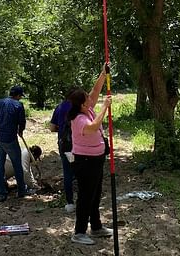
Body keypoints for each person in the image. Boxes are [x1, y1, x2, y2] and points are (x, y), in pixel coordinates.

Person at [68, 67, 114, 245]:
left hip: (96, 159)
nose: (90, 97)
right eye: (87, 97)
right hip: (85, 162)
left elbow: (96, 91)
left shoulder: (87, 108)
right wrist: (104, 107)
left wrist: (103, 74)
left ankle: (96, 227)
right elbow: (94, 127)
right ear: (82, 104)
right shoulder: (80, 119)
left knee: (95, 194)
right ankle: (79, 232)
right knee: (86, 196)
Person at [0, 85, 28, 202]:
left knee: (0, 166)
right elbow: (22, 121)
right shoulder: (18, 105)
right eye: (20, 96)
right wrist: (20, 131)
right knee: (17, 165)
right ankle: (21, 191)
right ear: (18, 95)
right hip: (10, 139)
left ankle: (2, 194)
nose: (20, 98)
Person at [49, 88, 79, 213]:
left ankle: (70, 202)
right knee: (80, 169)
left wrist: (61, 129)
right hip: (78, 144)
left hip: (64, 144)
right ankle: (84, 199)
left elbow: (52, 127)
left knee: (67, 171)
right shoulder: (79, 107)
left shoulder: (60, 107)